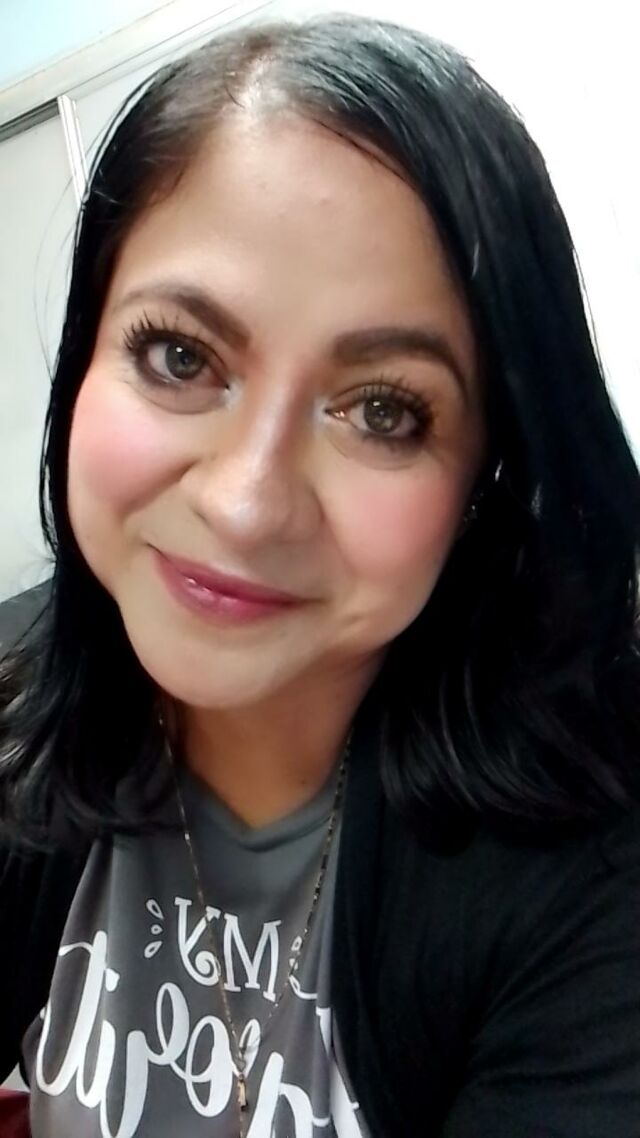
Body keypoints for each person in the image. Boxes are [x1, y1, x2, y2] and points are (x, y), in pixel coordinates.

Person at [1, 12, 639, 1137]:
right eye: (180, 356)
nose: (246, 503)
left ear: (486, 476)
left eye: (383, 411)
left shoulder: (592, 877)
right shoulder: (23, 718)